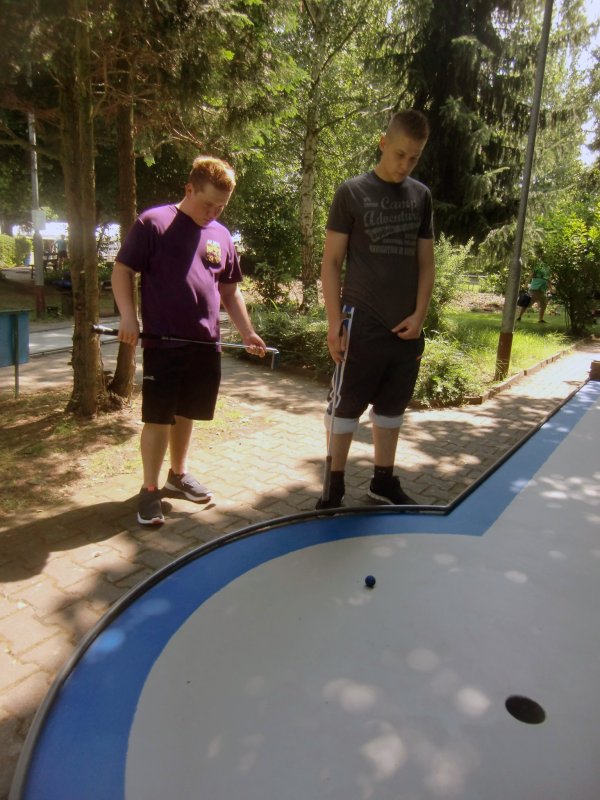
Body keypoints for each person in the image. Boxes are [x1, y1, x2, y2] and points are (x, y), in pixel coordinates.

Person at [112, 155, 266, 525]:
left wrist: (247, 331)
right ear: (189, 189)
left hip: (205, 345)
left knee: (186, 414)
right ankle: (150, 489)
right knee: (158, 418)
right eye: (207, 203)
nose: (213, 212)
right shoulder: (154, 222)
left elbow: (230, 291)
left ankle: (177, 475)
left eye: (220, 207)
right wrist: (129, 316)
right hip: (163, 344)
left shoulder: (221, 235)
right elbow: (122, 270)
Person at [316, 109, 435, 509]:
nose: (405, 165)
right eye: (399, 154)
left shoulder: (421, 196)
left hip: (405, 328)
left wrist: (419, 316)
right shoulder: (351, 192)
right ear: (383, 143)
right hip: (360, 322)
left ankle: (382, 482)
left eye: (414, 158)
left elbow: (426, 264)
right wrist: (335, 322)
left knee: (391, 408)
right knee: (345, 407)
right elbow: (331, 262)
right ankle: (333, 486)